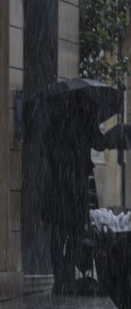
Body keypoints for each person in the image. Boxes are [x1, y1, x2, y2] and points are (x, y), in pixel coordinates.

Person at [42, 108, 100, 295]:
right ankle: (65, 276)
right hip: (73, 190)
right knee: (73, 234)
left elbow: (47, 149)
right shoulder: (85, 118)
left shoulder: (57, 119)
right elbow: (98, 143)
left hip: (60, 189)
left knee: (59, 236)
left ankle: (61, 277)